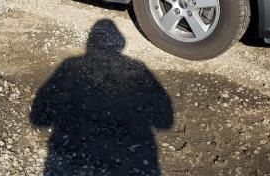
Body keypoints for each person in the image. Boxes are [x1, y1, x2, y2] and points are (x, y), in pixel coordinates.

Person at [30, 19, 173, 175]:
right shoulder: (137, 68)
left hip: (74, 160)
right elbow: (165, 121)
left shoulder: (70, 65)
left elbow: (38, 118)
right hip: (128, 162)